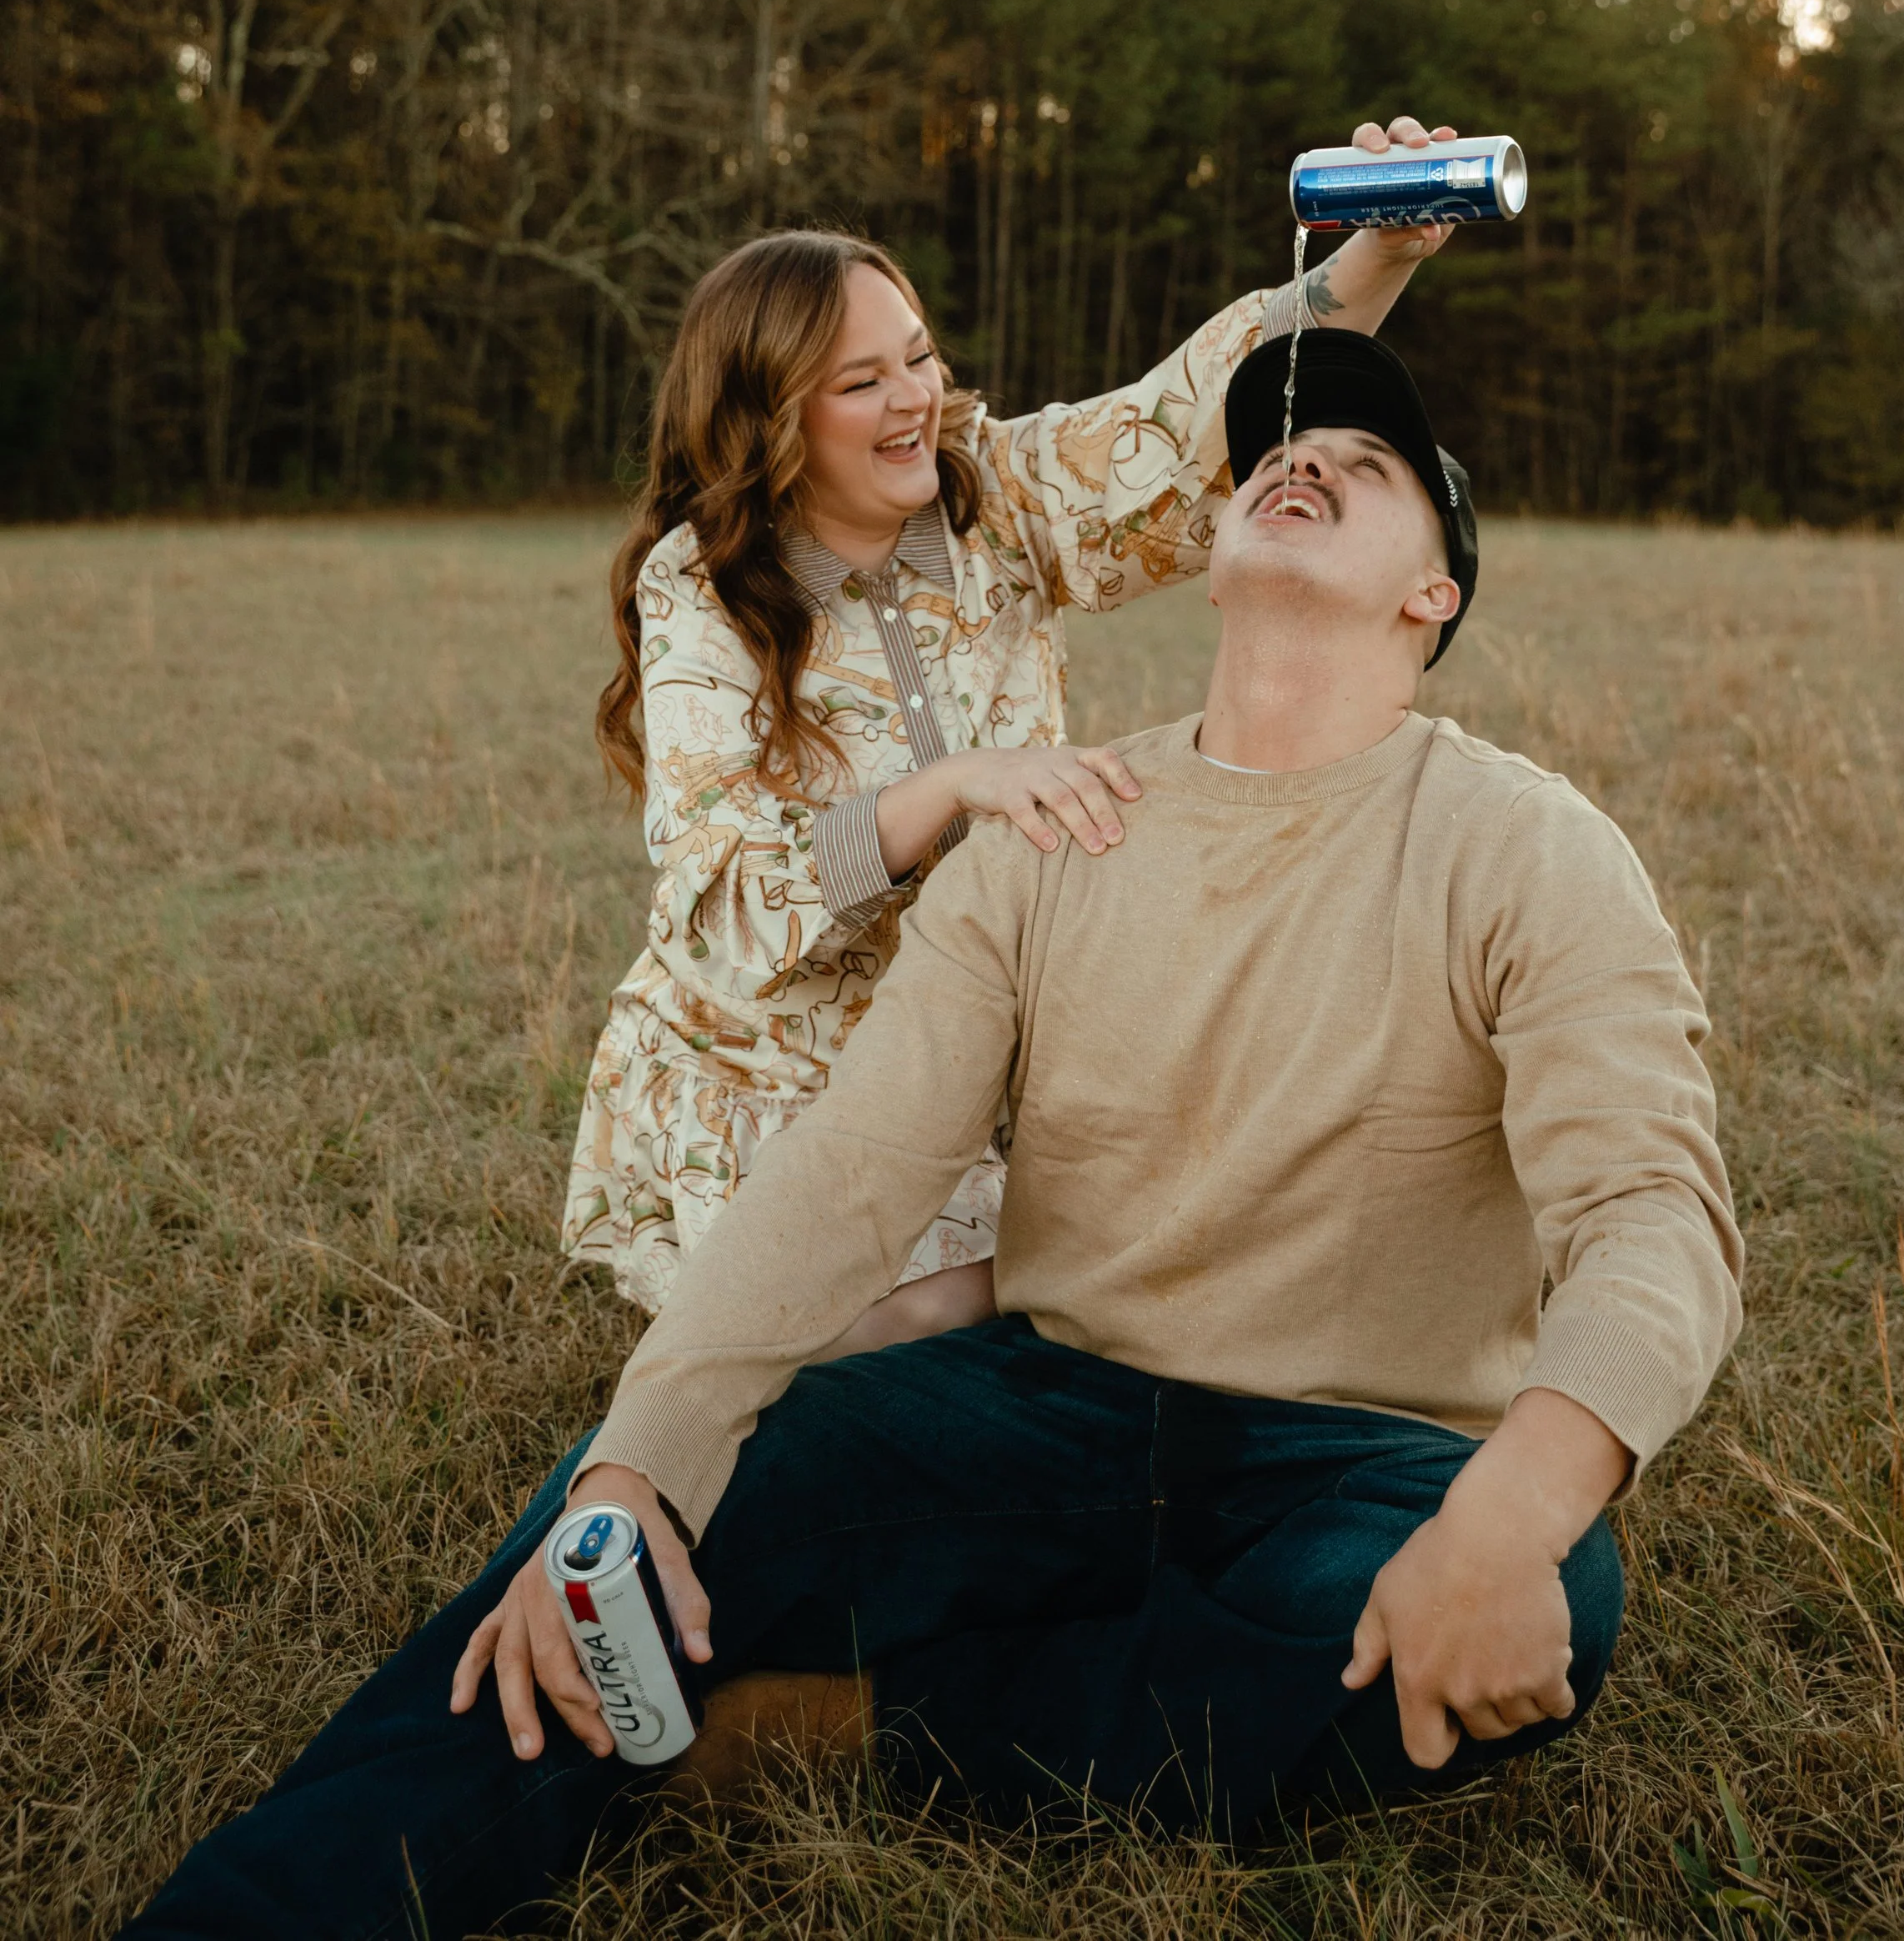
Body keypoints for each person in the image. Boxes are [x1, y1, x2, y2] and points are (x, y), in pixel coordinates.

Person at [126, 329, 1742, 1941]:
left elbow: (1652, 1216)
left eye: (1365, 466)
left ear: (1430, 596)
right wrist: (635, 1460)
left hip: (1353, 1460)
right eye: (1269, 454)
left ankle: (852, 1733)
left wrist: (1500, 1521)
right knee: (609, 1539)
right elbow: (850, 1173)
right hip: (1045, 1409)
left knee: (1551, 1606)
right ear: (1212, 561)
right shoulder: (1058, 824)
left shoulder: (1525, 846)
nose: (1297, 460)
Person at [564, 117, 1460, 1340]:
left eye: (921, 358)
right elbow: (717, 908)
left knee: (1189, 1250)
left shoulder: (994, 490)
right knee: (893, 1335)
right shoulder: (703, 587)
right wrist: (947, 790)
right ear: (768, 415)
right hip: (781, 1081)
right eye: (861, 380)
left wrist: (1375, 261)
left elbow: (1172, 431)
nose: (914, 401)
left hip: (995, 1065)